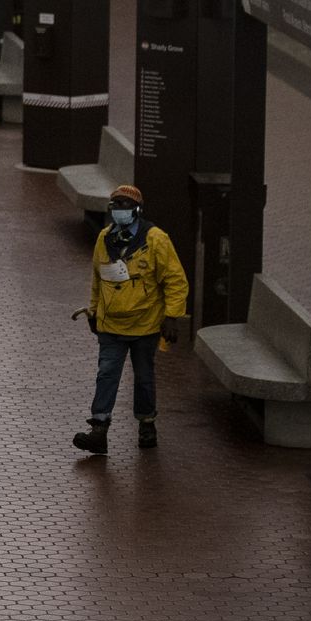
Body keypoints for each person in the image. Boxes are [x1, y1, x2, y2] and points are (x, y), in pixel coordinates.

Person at [72, 185, 188, 454]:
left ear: (136, 209)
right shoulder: (104, 238)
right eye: (115, 205)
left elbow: (175, 281)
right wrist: (94, 311)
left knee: (144, 377)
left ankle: (147, 424)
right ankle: (99, 429)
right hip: (111, 324)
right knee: (106, 375)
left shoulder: (156, 239)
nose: (119, 210)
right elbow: (98, 279)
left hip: (145, 325)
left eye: (124, 204)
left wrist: (172, 316)